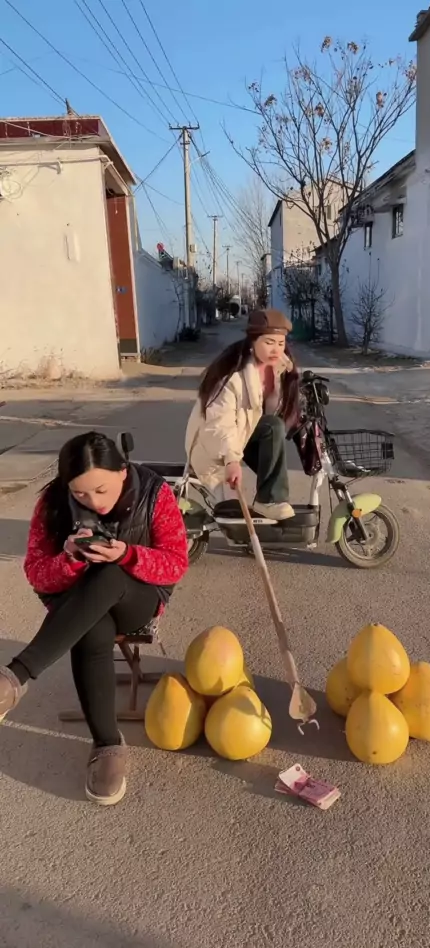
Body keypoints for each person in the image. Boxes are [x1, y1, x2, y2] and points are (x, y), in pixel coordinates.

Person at [0, 432, 188, 807]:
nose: (94, 502)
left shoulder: (154, 492)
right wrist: (70, 557)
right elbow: (37, 574)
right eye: (81, 494)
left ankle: (14, 676)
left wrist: (127, 555)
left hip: (137, 598)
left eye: (101, 490)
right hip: (77, 606)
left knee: (110, 574)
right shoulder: (53, 502)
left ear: (123, 471)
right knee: (92, 628)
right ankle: (107, 745)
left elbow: (176, 563)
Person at [186, 308, 300, 520]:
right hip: (214, 443)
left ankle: (271, 496)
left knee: (274, 427)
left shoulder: (280, 368)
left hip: (243, 434)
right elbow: (219, 424)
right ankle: (269, 500)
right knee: (273, 427)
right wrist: (231, 460)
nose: (276, 349)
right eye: (269, 342)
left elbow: (272, 412)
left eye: (281, 343)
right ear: (253, 342)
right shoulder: (232, 378)